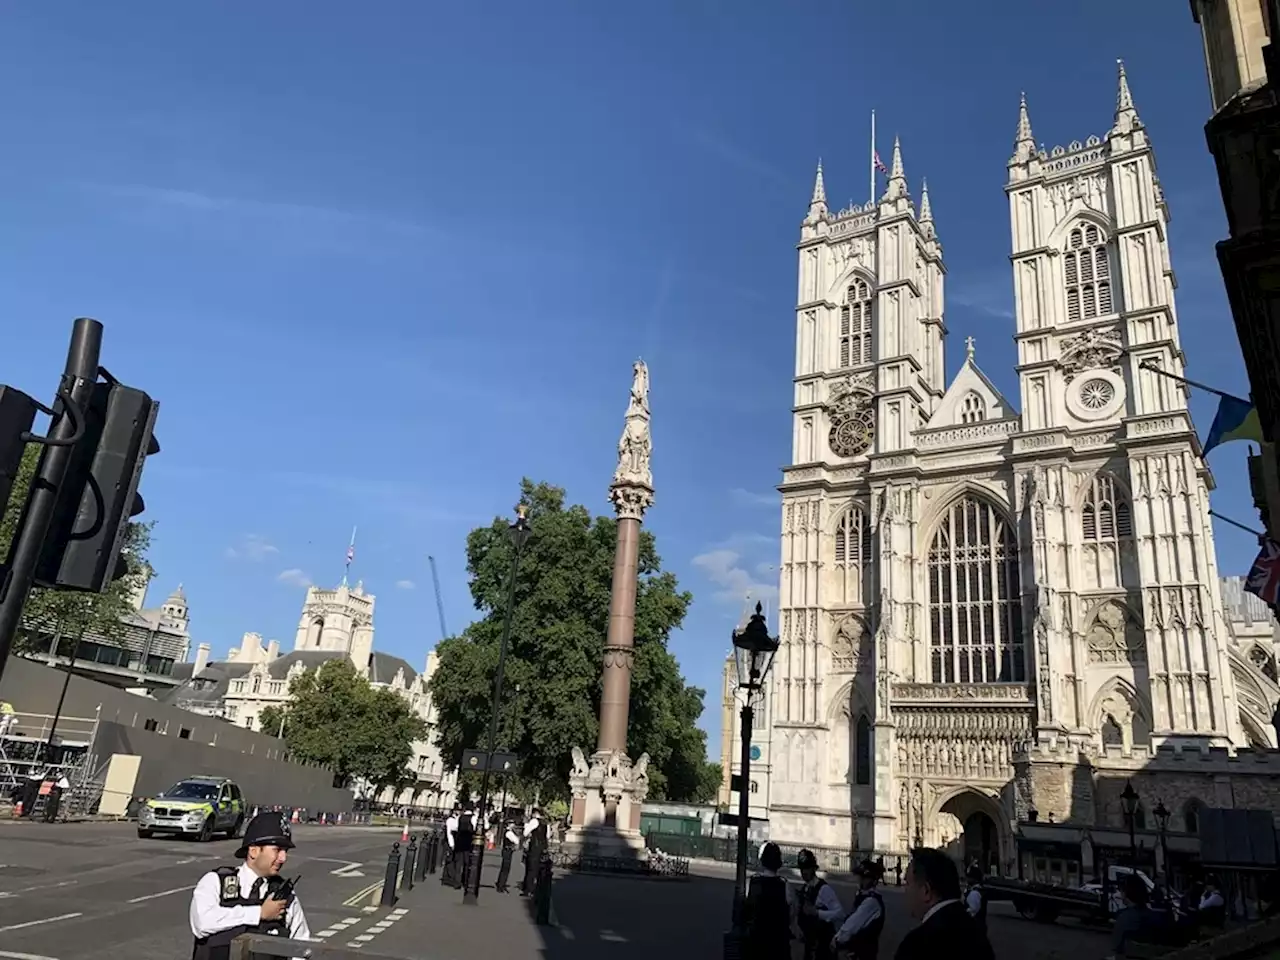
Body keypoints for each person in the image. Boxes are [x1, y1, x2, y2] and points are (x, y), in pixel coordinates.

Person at [189, 811, 309, 960]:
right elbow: (202, 924)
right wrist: (259, 913)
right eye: (277, 850)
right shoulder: (215, 882)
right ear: (253, 851)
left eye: (285, 851)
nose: (283, 858)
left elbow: (301, 947)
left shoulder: (285, 895)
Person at [894, 848, 993, 960]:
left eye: (907, 883)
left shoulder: (917, 945)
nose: (905, 890)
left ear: (926, 891)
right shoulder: (977, 935)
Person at [743, 841, 791, 960]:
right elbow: (792, 912)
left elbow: (745, 908)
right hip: (778, 942)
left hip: (756, 940)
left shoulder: (753, 881)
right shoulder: (784, 885)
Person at [832, 858, 885, 960]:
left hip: (863, 953)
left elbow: (852, 924)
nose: (859, 880)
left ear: (871, 880)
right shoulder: (863, 896)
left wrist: (837, 939)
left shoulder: (871, 901)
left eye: (863, 878)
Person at [795, 848, 843, 960]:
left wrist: (817, 913)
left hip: (823, 947)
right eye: (802, 868)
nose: (804, 872)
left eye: (807, 868)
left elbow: (840, 914)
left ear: (813, 869)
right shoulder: (805, 888)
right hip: (811, 946)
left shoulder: (824, 889)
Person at [520, 807, 547, 897]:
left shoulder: (534, 821)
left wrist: (526, 825)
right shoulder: (545, 823)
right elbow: (547, 836)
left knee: (530, 869)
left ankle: (528, 889)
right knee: (537, 869)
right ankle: (536, 889)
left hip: (534, 847)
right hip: (541, 847)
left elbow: (525, 833)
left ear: (535, 813)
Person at [452, 803, 477, 890]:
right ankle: (465, 882)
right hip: (468, 842)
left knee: (458, 863)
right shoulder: (473, 818)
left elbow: (455, 827)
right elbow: (475, 828)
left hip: (459, 841)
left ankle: (456, 883)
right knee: (467, 863)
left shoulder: (460, 817)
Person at [495, 818, 520, 893]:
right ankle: (501, 885)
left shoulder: (509, 832)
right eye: (513, 823)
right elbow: (516, 840)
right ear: (509, 824)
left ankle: (500, 883)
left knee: (504, 868)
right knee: (505, 868)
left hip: (507, 850)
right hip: (507, 851)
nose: (514, 825)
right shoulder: (509, 833)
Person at [964, 864, 988, 938]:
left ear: (975, 878)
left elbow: (972, 911)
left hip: (974, 928)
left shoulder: (975, 893)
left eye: (969, 877)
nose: (967, 879)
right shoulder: (977, 890)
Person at [441, 805, 461, 887]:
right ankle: (452, 878)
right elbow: (449, 833)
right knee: (449, 860)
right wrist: (452, 844)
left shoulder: (455, 819)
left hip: (453, 842)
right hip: (450, 842)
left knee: (450, 860)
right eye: (458, 810)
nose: (459, 812)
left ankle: (445, 878)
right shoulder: (450, 820)